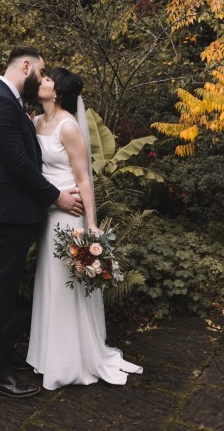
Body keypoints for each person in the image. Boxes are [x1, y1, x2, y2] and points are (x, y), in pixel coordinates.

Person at [0, 46, 84, 399]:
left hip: (17, 210)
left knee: (5, 289)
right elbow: (20, 164)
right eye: (41, 69)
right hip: (8, 210)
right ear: (26, 66)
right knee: (0, 291)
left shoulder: (10, 100)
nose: (42, 75)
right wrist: (57, 197)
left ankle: (3, 354)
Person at [26, 67, 143, 390]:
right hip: (47, 211)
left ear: (59, 92)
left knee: (65, 283)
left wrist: (90, 225)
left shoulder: (69, 126)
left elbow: (83, 178)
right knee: (48, 280)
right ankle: (47, 356)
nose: (42, 81)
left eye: (48, 79)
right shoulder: (36, 121)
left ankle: (69, 361)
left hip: (70, 213)